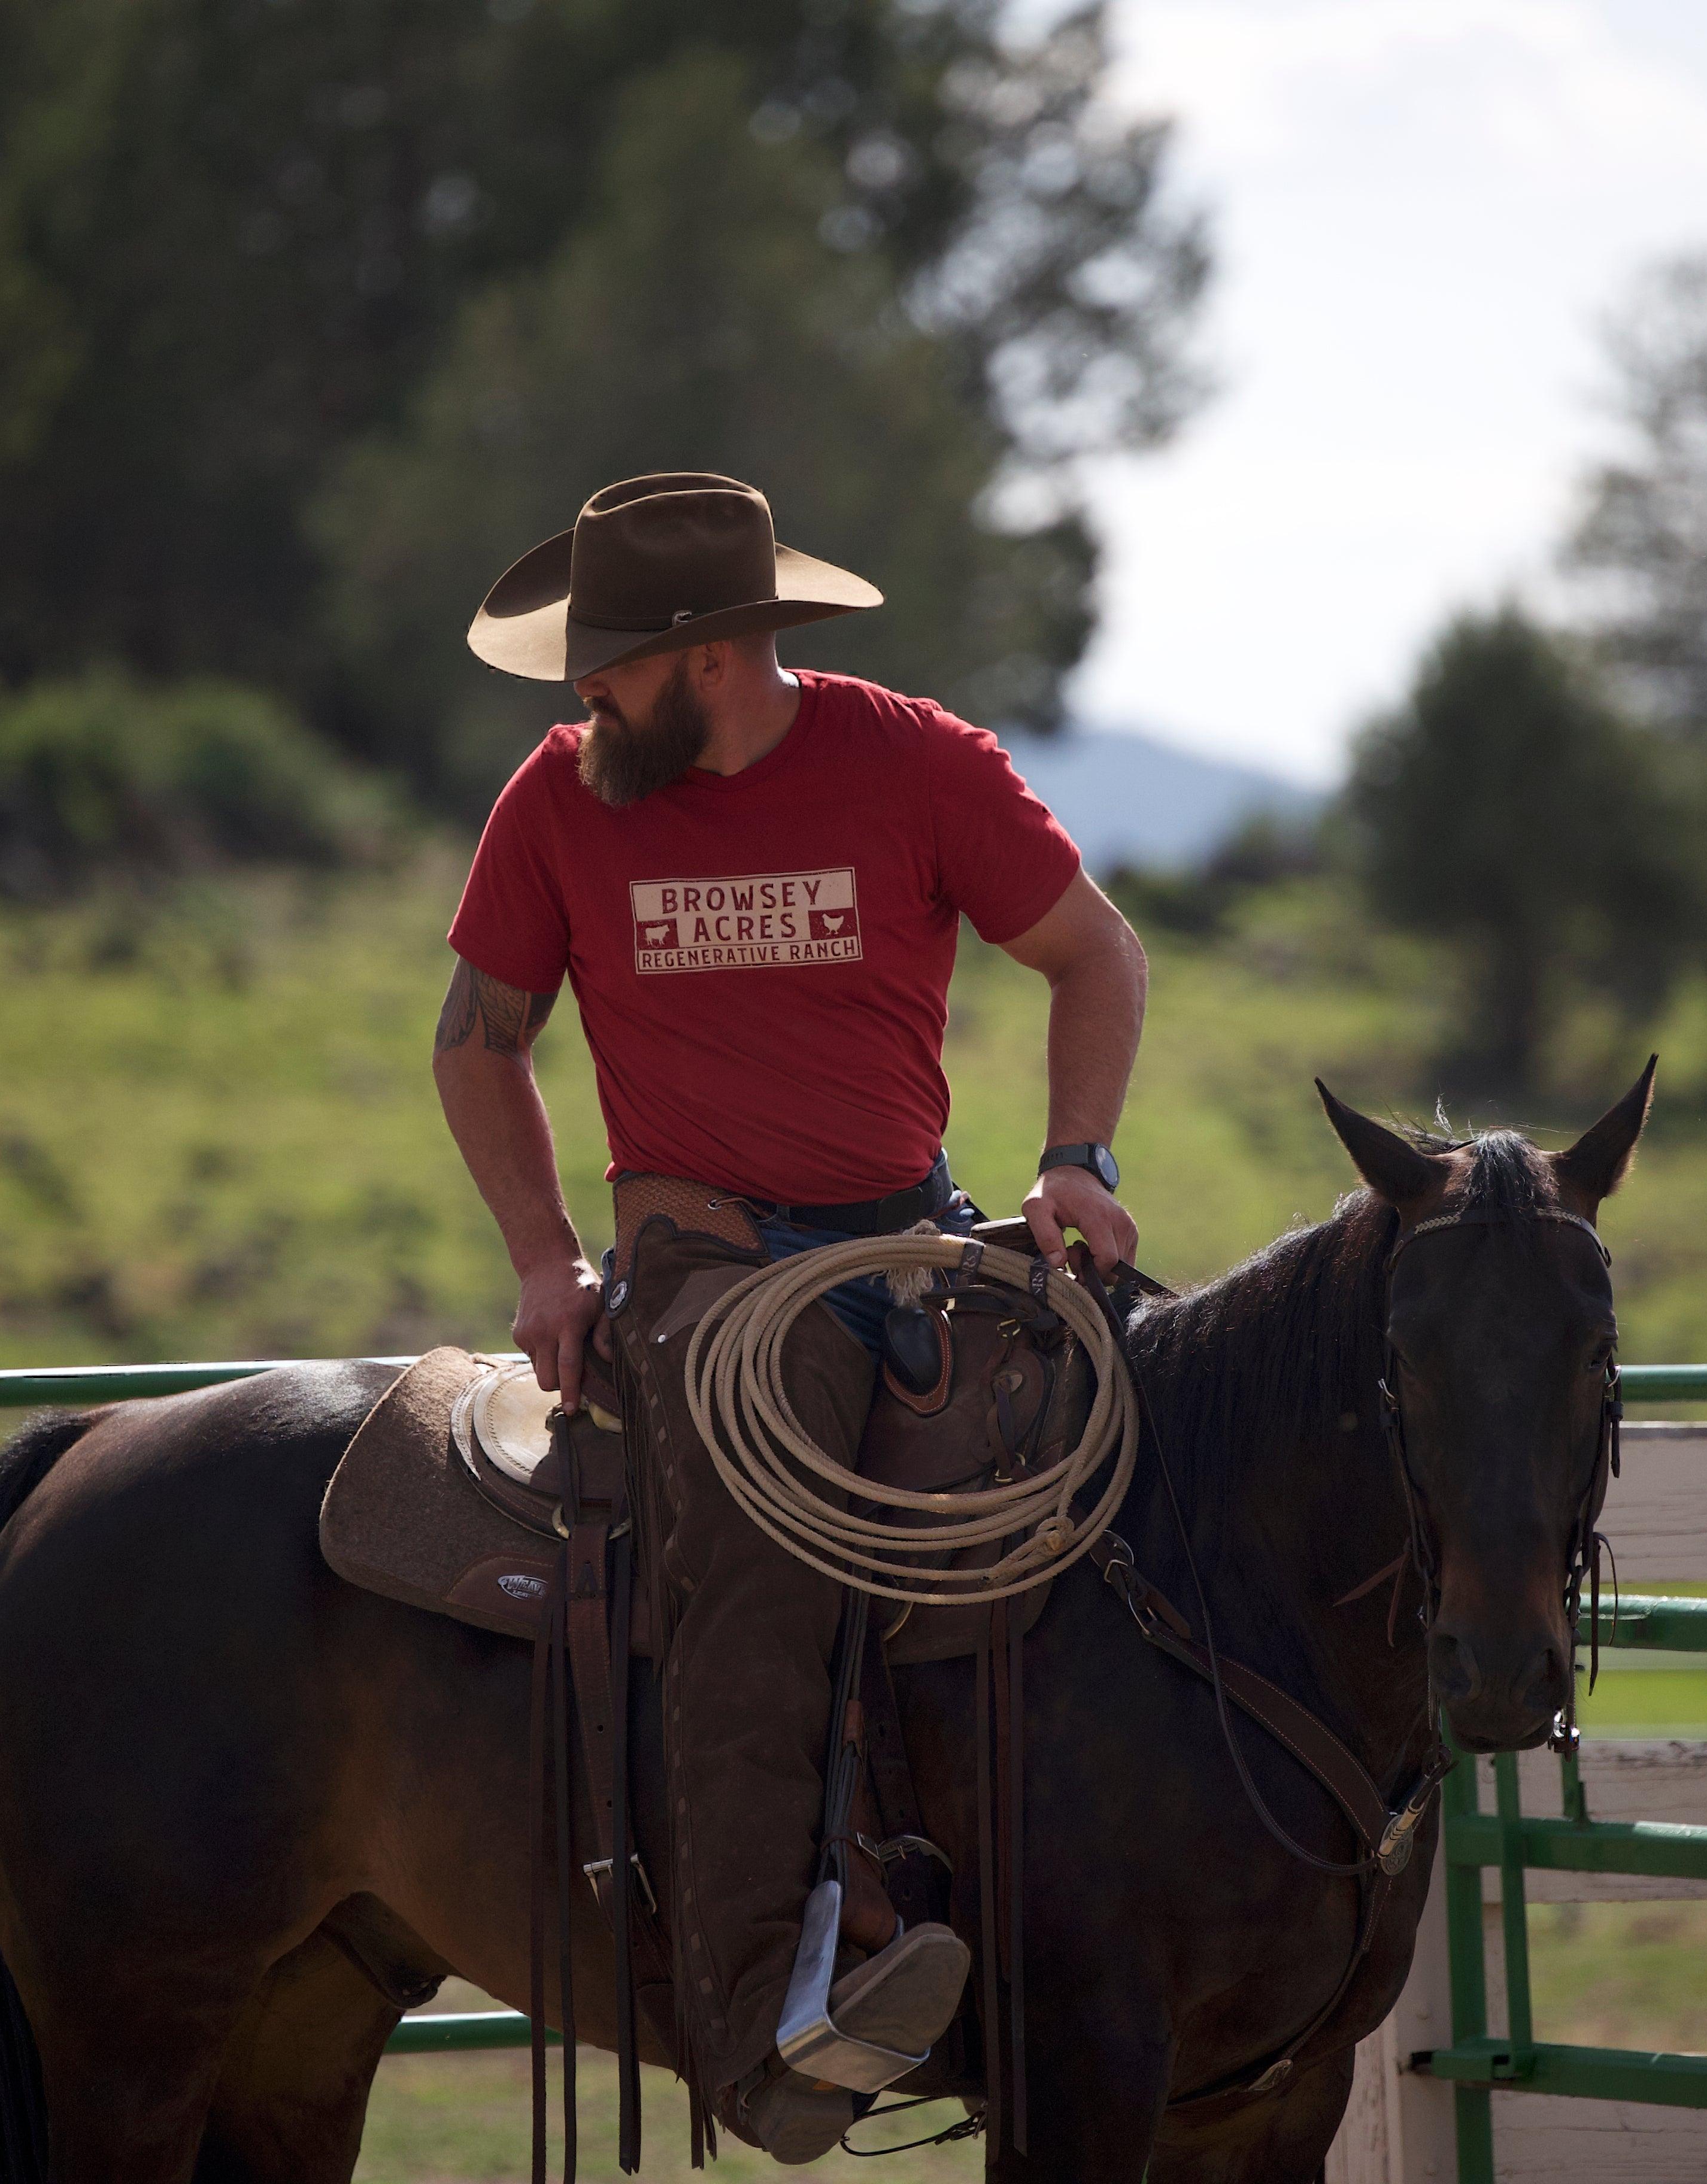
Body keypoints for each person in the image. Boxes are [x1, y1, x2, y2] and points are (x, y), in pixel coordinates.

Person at [430, 473, 1147, 2160]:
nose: (576, 694)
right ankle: (761, 2025)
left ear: (711, 659)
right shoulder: (559, 800)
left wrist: (1076, 1160)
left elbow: (1096, 954)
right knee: (763, 1528)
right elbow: (479, 1042)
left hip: (920, 1238)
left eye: (606, 665)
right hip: (709, 1265)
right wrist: (547, 1259)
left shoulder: (919, 765)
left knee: (1116, 1439)